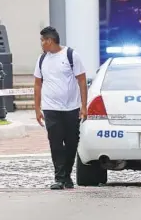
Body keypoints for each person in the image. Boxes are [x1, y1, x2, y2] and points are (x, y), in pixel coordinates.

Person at [33, 26, 88, 190]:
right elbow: (37, 84)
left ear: (49, 41)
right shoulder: (42, 59)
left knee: (71, 143)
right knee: (55, 143)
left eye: (43, 40)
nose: (41, 44)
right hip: (51, 108)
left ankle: (67, 176)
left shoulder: (71, 55)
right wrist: (37, 108)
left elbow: (82, 81)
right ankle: (59, 177)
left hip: (72, 108)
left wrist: (84, 106)